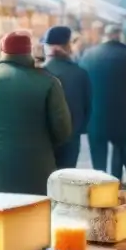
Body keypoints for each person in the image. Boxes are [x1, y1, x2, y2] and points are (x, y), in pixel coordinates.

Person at [0, 31, 73, 195]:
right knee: (35, 216)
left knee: (1, 216)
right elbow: (63, 129)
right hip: (38, 167)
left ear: (2, 51)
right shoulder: (49, 83)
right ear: (28, 52)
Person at [81, 24, 126, 188]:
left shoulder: (89, 55)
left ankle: (99, 183)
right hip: (122, 113)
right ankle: (115, 184)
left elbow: (80, 82)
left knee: (98, 152)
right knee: (119, 149)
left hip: (95, 114)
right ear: (119, 36)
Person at [42, 26, 91, 169]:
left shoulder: (40, 72)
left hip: (45, 137)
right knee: (66, 179)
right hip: (71, 136)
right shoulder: (80, 72)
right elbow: (87, 106)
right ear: (68, 46)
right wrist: (80, 129)